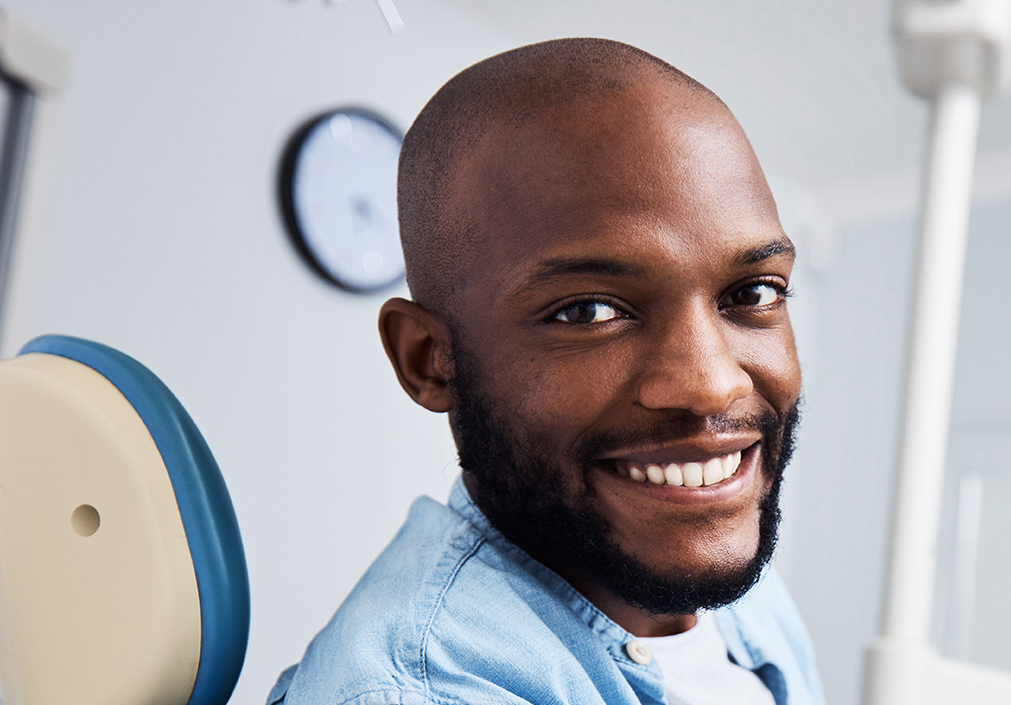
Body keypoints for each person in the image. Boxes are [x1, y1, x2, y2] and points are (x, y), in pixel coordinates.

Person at [266, 38, 822, 705]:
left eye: (753, 293)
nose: (712, 383)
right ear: (428, 360)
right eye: (589, 311)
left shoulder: (724, 577)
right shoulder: (420, 692)